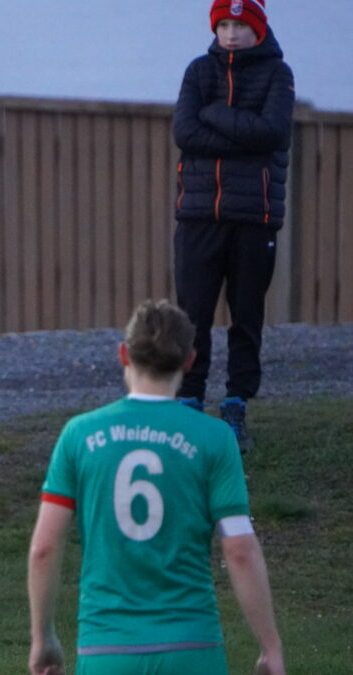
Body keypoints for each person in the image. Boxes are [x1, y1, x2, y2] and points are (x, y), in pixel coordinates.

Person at [26, 299, 284, 675]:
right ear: (190, 360)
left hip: (106, 648)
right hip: (192, 646)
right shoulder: (214, 438)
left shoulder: (80, 435)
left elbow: (44, 549)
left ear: (123, 355)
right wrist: (270, 647)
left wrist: (43, 638)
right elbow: (240, 549)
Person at [172, 0, 294, 451]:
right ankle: (189, 403)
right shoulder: (198, 72)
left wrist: (214, 114)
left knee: (246, 316)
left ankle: (237, 404)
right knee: (193, 314)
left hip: (253, 217)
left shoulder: (277, 75)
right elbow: (184, 133)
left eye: (239, 25)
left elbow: (273, 134)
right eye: (223, 24)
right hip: (199, 214)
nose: (230, 33)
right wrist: (242, 131)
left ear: (257, 28)